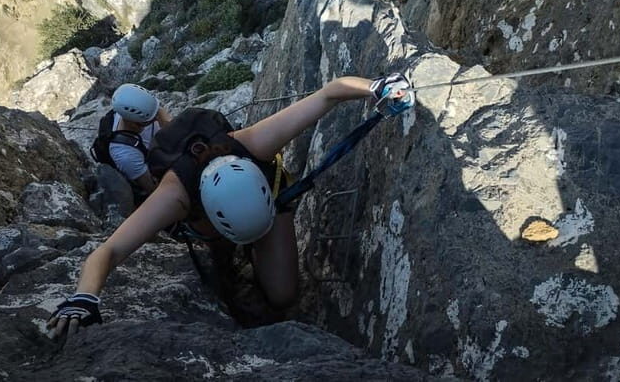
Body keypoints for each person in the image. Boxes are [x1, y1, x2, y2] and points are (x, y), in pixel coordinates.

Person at [48, 73, 413, 337]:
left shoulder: (255, 143)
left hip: (266, 204)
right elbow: (108, 251)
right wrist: (84, 297)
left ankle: (256, 244)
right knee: (238, 274)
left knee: (284, 294)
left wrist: (379, 87)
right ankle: (233, 253)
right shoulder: (174, 197)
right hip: (213, 221)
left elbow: (330, 93)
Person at [106, 83, 172, 196]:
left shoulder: (142, 111)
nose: (156, 118)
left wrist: (167, 124)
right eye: (151, 119)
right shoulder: (126, 155)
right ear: (133, 124)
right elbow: (153, 189)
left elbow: (157, 111)